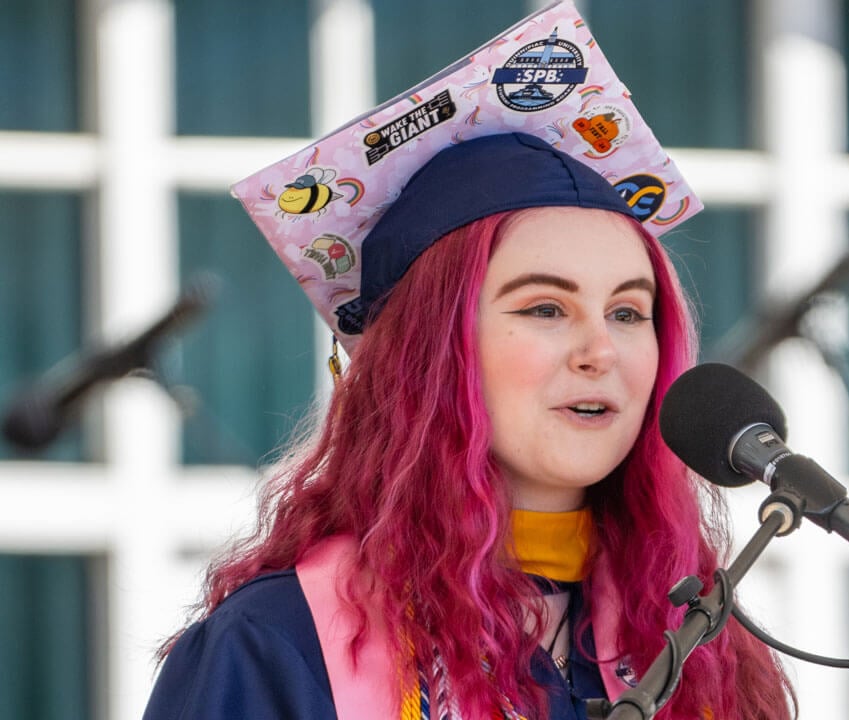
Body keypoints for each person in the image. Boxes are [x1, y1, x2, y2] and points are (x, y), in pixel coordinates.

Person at [142, 130, 795, 718]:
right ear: (427, 350)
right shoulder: (278, 646)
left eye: (627, 313)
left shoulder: (700, 648)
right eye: (545, 308)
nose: (601, 352)